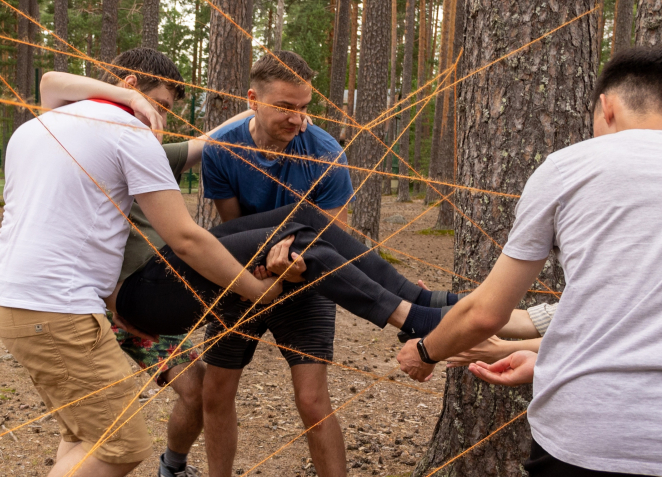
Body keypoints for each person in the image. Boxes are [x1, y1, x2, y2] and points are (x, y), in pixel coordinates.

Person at [0, 48, 282, 477]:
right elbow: (186, 238)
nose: (159, 120)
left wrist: (258, 113)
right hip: (67, 308)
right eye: (158, 105)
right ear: (128, 87)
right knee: (119, 448)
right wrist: (254, 290)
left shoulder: (40, 126)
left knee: (83, 436)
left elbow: (52, 85)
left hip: (36, 304)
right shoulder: (125, 131)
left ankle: (174, 466)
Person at [396, 47, 662, 477]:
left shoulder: (569, 168)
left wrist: (426, 352)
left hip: (589, 438)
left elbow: (486, 313)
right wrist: (547, 360)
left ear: (607, 107)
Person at [194, 50, 449, 477]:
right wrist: (263, 266)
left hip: (307, 282)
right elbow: (234, 231)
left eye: (304, 108)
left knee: (312, 400)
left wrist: (289, 266)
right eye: (285, 108)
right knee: (216, 392)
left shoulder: (325, 151)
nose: (297, 120)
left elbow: (335, 238)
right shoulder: (222, 151)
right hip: (242, 280)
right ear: (253, 99)